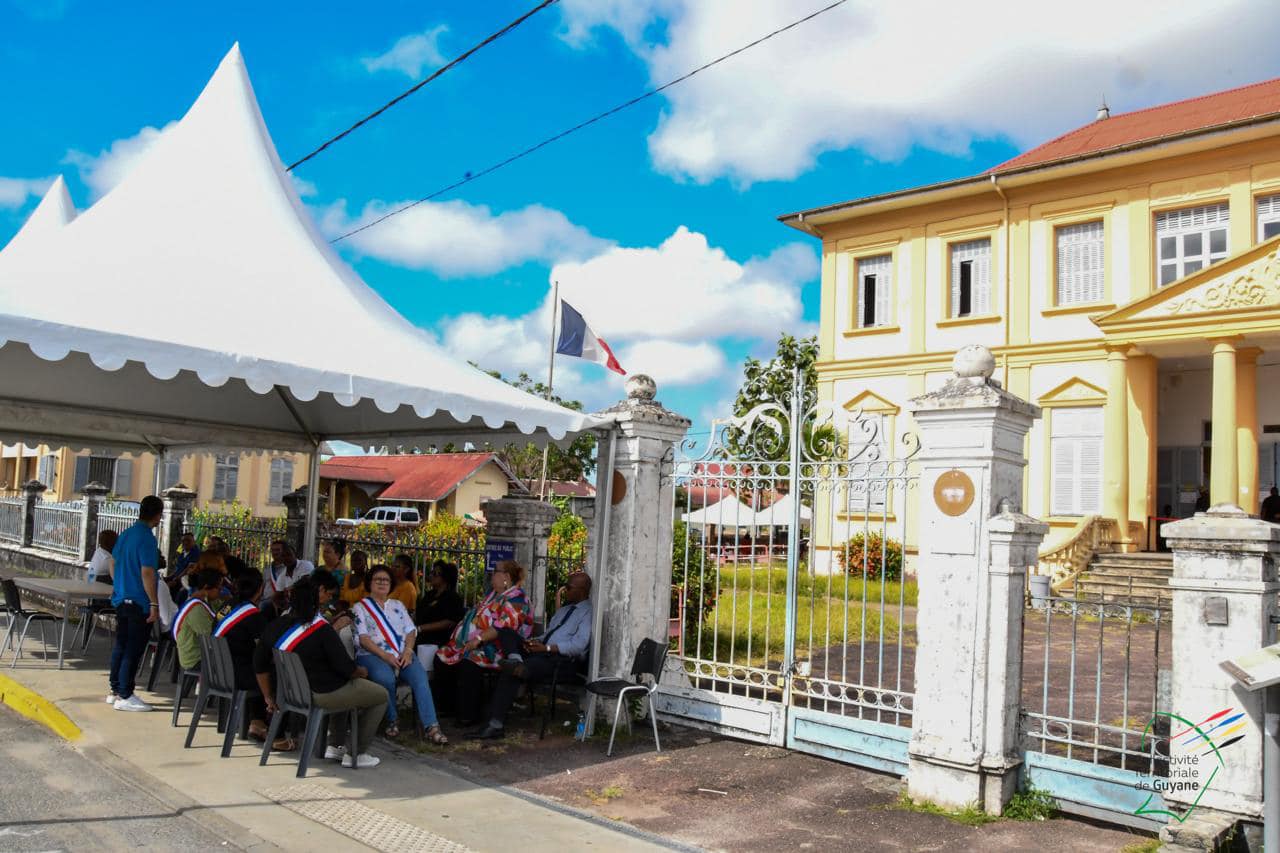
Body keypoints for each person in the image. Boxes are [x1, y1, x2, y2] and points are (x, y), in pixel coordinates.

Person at [253, 577, 387, 768]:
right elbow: (347, 668)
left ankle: (336, 745)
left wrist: (268, 696)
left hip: (289, 693)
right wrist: (362, 671)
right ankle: (357, 753)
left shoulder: (275, 625)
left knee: (349, 690)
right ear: (316, 601)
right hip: (320, 694)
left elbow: (259, 663)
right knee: (380, 695)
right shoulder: (322, 629)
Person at [469, 572, 593, 740]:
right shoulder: (564, 610)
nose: (565, 590)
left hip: (561, 662)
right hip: (541, 653)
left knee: (512, 671)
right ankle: (516, 660)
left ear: (582, 590)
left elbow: (578, 645)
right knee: (505, 631)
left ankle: (494, 725)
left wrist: (547, 648)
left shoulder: (588, 613)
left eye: (569, 587)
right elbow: (549, 635)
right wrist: (534, 642)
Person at [354, 565, 448, 744]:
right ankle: (392, 719)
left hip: (402, 653)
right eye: (378, 579)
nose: (382, 583)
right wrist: (385, 656)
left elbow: (411, 631)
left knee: (420, 678)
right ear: (369, 583)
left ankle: (431, 726)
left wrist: (408, 651)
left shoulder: (398, 605)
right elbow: (363, 639)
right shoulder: (360, 607)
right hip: (372, 655)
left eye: (386, 580)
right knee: (385, 678)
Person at [436, 560, 534, 725]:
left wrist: (478, 639)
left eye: (495, 571)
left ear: (506, 576)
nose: (491, 575)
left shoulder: (518, 598)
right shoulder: (493, 594)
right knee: (443, 654)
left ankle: (468, 715)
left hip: (501, 648)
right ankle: (450, 707)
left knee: (470, 659)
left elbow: (503, 627)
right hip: (483, 643)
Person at [108, 495, 164, 712]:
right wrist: (154, 603)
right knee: (133, 648)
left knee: (121, 645)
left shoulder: (127, 533)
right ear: (158, 515)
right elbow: (148, 572)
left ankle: (115, 690)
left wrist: (120, 584)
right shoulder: (147, 538)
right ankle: (125, 694)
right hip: (139, 601)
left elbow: (112, 562)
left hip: (121, 598)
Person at [213, 568, 269, 741]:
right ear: (260, 589)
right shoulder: (253, 615)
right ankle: (259, 722)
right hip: (237, 675)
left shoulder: (226, 606)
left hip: (217, 670)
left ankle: (257, 720)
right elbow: (264, 649)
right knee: (269, 673)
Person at [414, 561, 464, 674]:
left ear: (445, 578)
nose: (431, 576)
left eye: (435, 574)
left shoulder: (452, 598)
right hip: (420, 636)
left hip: (439, 640)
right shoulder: (429, 595)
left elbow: (450, 622)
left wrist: (421, 628)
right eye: (432, 572)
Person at [174, 567, 222, 671]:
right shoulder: (196, 608)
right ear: (206, 587)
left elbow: (223, 611)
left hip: (205, 652)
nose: (221, 591)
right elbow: (211, 636)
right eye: (219, 588)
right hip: (195, 658)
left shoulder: (210, 601)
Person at [262, 540, 315, 614]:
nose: (287, 558)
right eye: (283, 556)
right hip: (293, 608)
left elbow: (306, 580)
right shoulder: (282, 576)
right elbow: (276, 597)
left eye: (289, 555)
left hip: (309, 604)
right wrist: (280, 607)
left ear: (295, 555)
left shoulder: (305, 565)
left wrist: (292, 587)